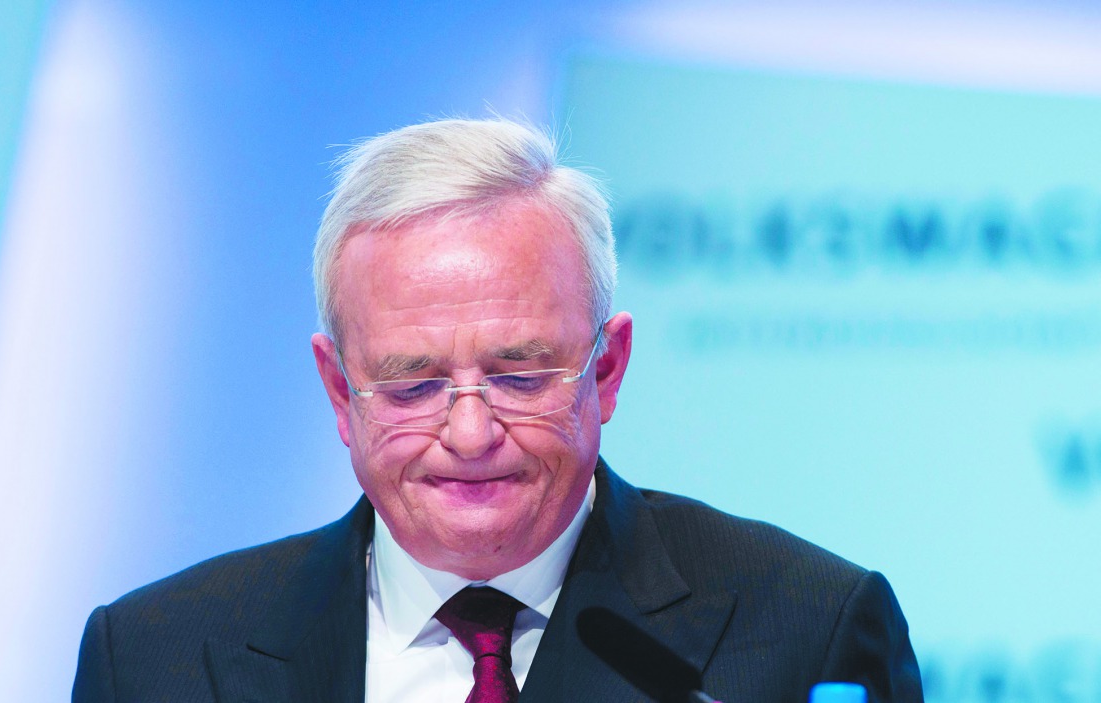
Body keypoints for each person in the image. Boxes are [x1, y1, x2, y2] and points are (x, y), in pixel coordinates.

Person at [72, 118, 923, 702]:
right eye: (413, 383)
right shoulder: (158, 654)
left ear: (609, 368)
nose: (471, 434)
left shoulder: (805, 627)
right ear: (339, 390)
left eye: (520, 374)